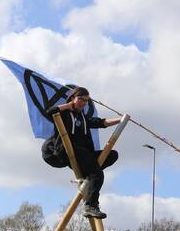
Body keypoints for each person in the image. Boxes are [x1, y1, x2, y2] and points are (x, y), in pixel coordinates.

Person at [47, 87, 123, 219]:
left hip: (84, 154)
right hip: (68, 151)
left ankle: (89, 178)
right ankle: (90, 205)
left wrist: (121, 119)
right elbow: (50, 112)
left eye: (86, 101)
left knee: (112, 155)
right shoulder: (64, 113)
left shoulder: (82, 117)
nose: (84, 103)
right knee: (97, 173)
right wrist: (68, 106)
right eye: (81, 99)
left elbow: (100, 122)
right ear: (73, 98)